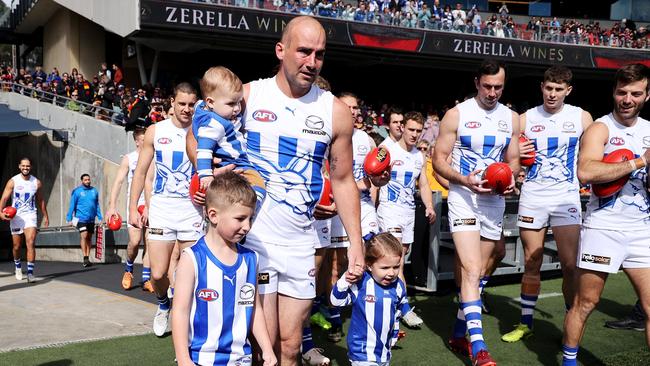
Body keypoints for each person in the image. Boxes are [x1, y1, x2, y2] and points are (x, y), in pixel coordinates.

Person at [239, 16, 365, 365]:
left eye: (320, 55)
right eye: (304, 52)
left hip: (300, 244)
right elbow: (198, 138)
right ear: (281, 50)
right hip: (253, 243)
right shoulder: (249, 96)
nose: (312, 62)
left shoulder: (336, 112)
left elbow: (342, 180)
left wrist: (356, 241)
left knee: (291, 346)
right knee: (260, 349)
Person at [562, 63, 650, 366]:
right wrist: (639, 162)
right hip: (603, 228)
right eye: (622, 92)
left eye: (635, 93)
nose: (627, 99)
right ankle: (569, 362)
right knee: (585, 302)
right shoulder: (601, 128)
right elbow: (585, 171)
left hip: (642, 231)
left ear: (646, 96)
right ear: (614, 92)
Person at [433, 59, 519, 366]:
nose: (493, 92)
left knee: (479, 274)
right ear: (476, 83)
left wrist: (509, 181)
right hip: (463, 197)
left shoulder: (511, 118)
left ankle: (458, 332)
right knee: (470, 270)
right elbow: (439, 160)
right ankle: (480, 348)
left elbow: (513, 162)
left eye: (499, 87)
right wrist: (464, 180)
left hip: (493, 201)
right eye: (487, 86)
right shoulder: (457, 114)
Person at [501, 66, 593, 342]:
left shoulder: (582, 117)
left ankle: (570, 319)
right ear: (541, 87)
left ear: (568, 90)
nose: (552, 94)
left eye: (558, 89)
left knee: (569, 265)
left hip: (566, 197)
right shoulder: (525, 119)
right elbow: (510, 155)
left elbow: (594, 152)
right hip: (533, 196)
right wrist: (516, 154)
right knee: (532, 261)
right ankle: (526, 322)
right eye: (548, 88)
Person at [171, 171, 277, 366]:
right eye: (240, 218)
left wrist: (267, 349)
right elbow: (180, 311)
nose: (247, 226)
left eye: (250, 219)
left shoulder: (250, 259)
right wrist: (184, 359)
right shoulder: (192, 258)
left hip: (240, 360)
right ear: (213, 215)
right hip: (201, 359)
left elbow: (255, 309)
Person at [128, 82, 204, 337]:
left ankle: (188, 333)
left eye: (191, 104)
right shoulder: (154, 131)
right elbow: (139, 173)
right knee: (158, 273)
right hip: (161, 209)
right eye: (182, 104)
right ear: (171, 102)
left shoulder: (203, 131)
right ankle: (163, 304)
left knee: (189, 273)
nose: (186, 109)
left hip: (192, 211)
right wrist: (132, 208)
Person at [326, 92, 386, 343]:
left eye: (355, 107)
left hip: (364, 208)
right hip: (338, 207)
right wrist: (359, 185)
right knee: (338, 263)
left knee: (372, 254)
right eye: (346, 106)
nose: (351, 111)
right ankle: (334, 317)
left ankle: (370, 312)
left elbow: (378, 175)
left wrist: (379, 183)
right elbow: (328, 176)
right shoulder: (330, 135)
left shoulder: (367, 140)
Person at [377, 111, 436, 330]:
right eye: (410, 129)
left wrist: (429, 206)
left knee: (399, 259)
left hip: (408, 213)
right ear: (402, 128)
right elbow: (374, 180)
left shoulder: (418, 156)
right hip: (388, 211)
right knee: (397, 261)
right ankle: (403, 309)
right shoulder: (386, 150)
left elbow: (423, 185)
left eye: (418, 131)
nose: (414, 134)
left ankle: (387, 305)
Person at [193, 66, 266, 210]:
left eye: (239, 102)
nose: (238, 108)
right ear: (210, 102)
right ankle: (249, 210)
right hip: (235, 164)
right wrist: (206, 175)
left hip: (230, 164)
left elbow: (198, 106)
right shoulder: (214, 124)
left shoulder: (203, 108)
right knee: (258, 186)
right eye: (231, 103)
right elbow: (203, 150)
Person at [330, 232, 407, 366]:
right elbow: (336, 301)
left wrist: (394, 334)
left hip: (383, 351)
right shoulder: (362, 283)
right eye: (385, 268)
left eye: (396, 267)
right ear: (369, 265)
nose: (391, 273)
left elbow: (396, 312)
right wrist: (345, 280)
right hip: (361, 350)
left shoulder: (398, 286)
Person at [105, 128, 154, 292]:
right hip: (134, 204)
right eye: (143, 138)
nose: (147, 140)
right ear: (137, 141)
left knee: (149, 241)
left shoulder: (155, 157)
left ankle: (146, 278)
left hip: (150, 203)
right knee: (134, 241)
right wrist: (112, 206)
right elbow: (118, 182)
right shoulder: (129, 158)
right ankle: (129, 268)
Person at [0, 158, 49, 282]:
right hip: (16, 216)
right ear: (19, 166)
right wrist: (0, 213)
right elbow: (4, 198)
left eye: (28, 166)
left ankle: (30, 273)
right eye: (23, 166)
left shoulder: (36, 182)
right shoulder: (13, 181)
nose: (25, 168)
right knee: (16, 246)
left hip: (30, 215)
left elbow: (40, 200)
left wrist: (46, 215)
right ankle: (17, 267)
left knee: (30, 242)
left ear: (30, 167)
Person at [66, 174, 103, 267]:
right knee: (84, 235)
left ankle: (87, 256)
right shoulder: (77, 191)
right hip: (80, 218)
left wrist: (100, 217)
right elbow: (72, 205)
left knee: (89, 238)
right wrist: (69, 218)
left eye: (88, 179)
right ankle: (85, 257)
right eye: (85, 180)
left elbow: (97, 205)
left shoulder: (94, 191)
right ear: (82, 181)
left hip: (91, 219)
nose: (87, 181)